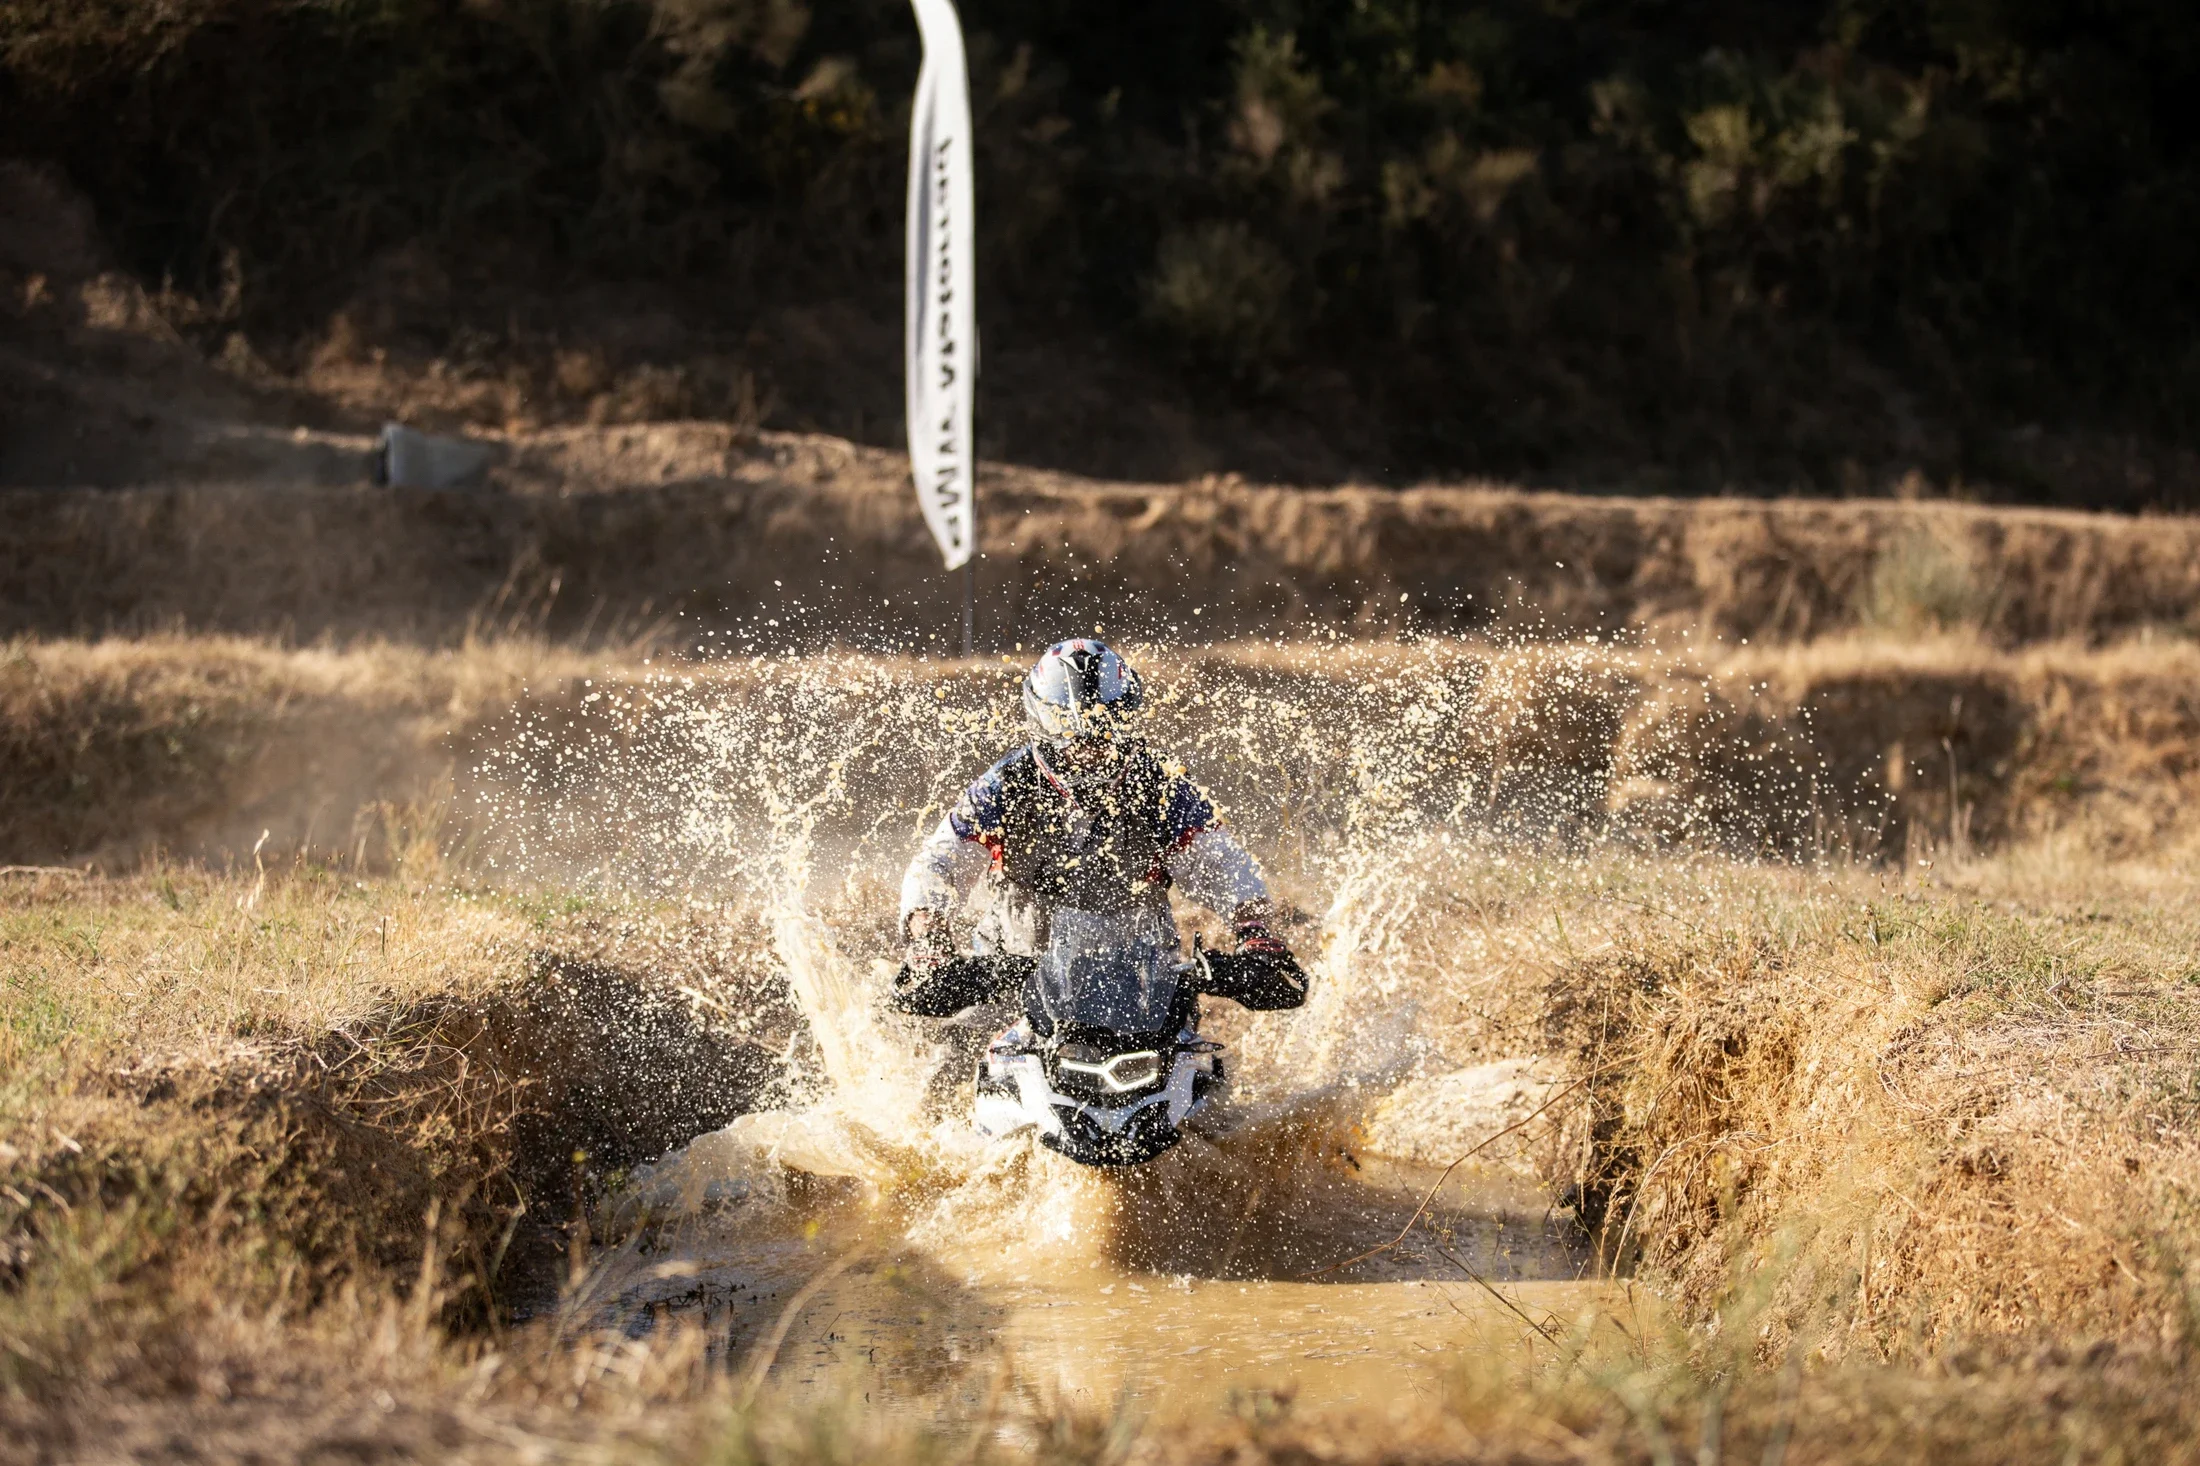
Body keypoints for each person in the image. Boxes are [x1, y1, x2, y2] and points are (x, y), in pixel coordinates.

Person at [895, 638, 1306, 1025]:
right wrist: (928, 941)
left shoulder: (1160, 785)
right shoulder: (1005, 785)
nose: (1089, 744)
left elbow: (1224, 866)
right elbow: (939, 863)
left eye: (1105, 724)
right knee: (953, 1064)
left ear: (1128, 715)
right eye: (1068, 726)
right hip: (1014, 974)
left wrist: (1257, 937)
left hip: (1143, 983)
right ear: (1041, 720)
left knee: (1205, 1077)